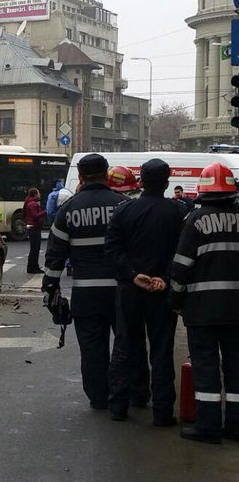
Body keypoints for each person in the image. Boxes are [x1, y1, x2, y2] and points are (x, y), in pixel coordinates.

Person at [43, 153, 128, 411]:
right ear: (106, 174)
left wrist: (50, 290)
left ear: (80, 176)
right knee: (125, 345)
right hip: (122, 292)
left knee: (92, 348)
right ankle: (122, 398)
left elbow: (55, 256)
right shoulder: (124, 205)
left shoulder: (69, 210)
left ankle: (98, 397)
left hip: (87, 293)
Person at [105, 159, 187, 425]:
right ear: (166, 182)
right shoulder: (177, 213)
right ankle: (162, 412)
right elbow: (181, 253)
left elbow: (113, 250)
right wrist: (163, 278)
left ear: (141, 182)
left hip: (130, 289)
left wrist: (132, 275)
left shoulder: (124, 211)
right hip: (162, 292)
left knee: (125, 345)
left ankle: (121, 403)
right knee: (162, 350)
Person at [170, 162, 239, 444]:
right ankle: (235, 427)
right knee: (236, 367)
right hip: (237, 310)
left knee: (206, 367)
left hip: (201, 309)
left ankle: (208, 428)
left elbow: (181, 266)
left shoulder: (195, 220)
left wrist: (175, 299)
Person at [23, 187, 47, 273]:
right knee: (35, 249)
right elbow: (35, 216)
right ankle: (33, 267)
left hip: (32, 227)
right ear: (35, 194)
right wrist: (45, 211)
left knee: (34, 249)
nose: (39, 194)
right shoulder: (33, 204)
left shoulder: (30, 202)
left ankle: (33, 267)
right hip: (34, 227)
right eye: (38, 193)